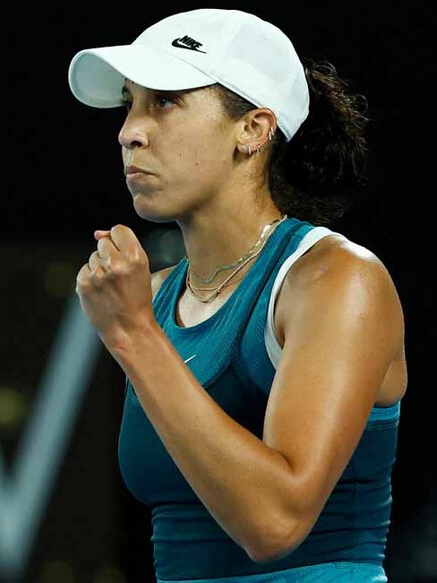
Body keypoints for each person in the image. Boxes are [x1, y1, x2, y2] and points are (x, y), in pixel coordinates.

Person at [69, 9, 407, 582]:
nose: (129, 130)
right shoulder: (148, 300)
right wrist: (138, 326)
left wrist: (133, 335)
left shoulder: (339, 280)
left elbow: (274, 524)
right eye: (130, 102)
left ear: (252, 129)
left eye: (166, 101)